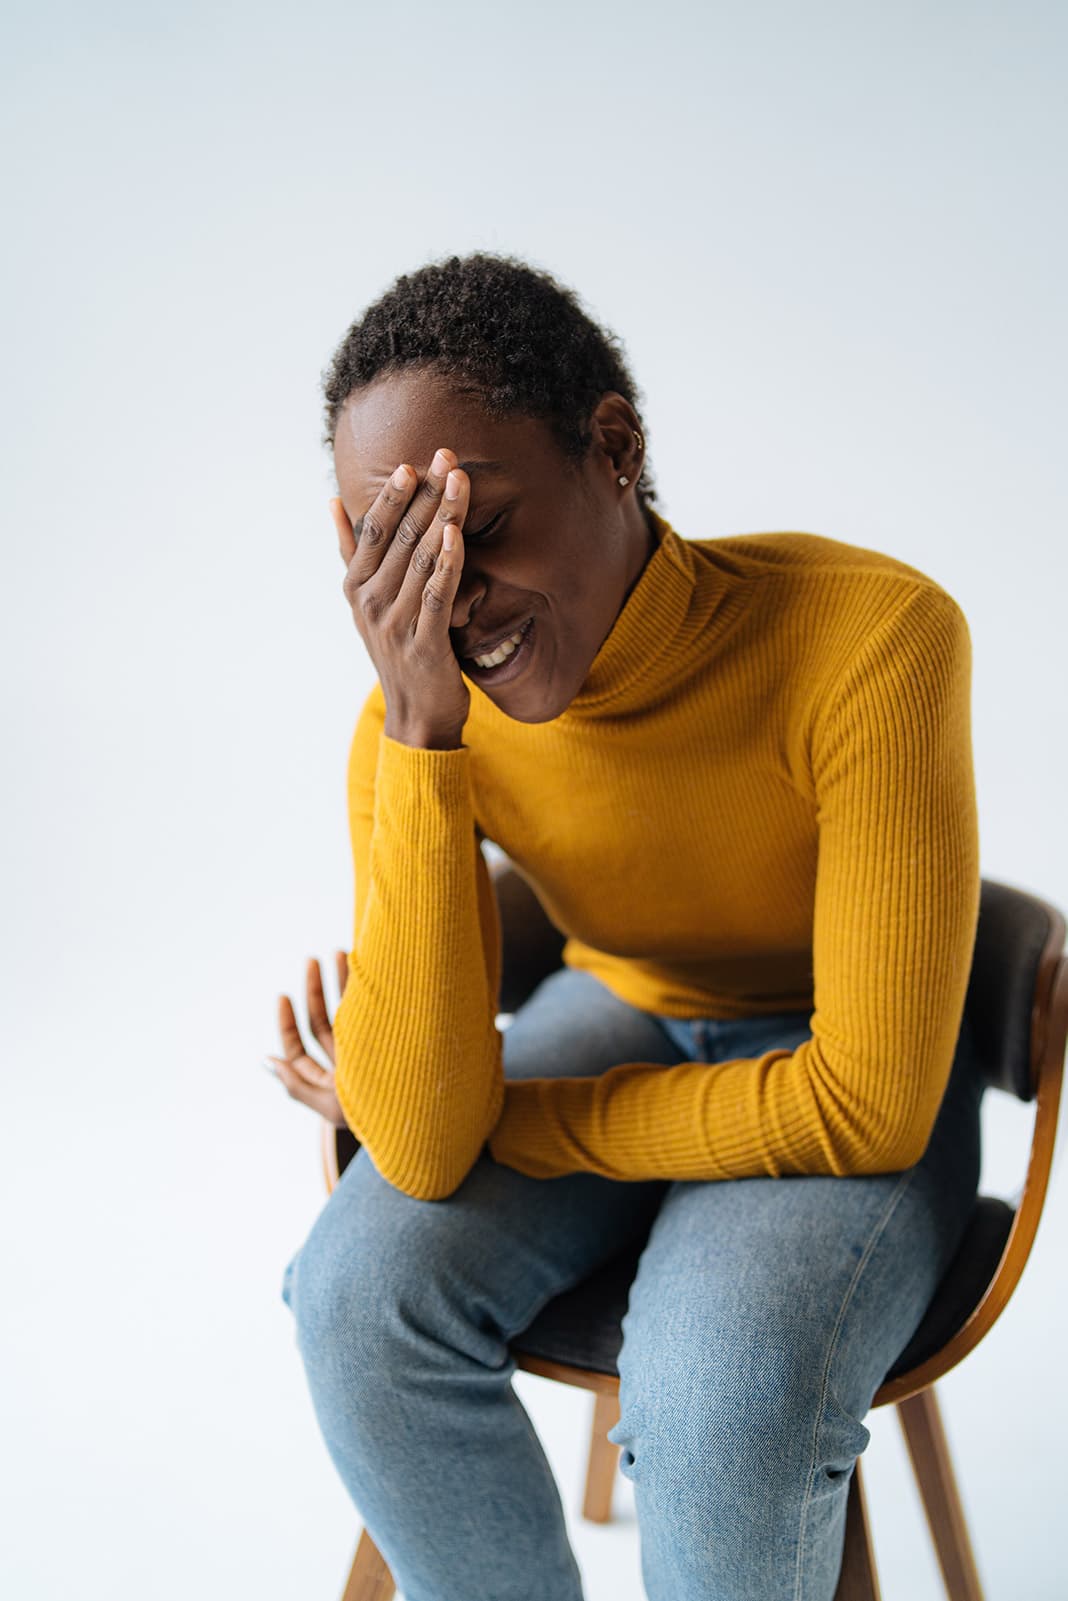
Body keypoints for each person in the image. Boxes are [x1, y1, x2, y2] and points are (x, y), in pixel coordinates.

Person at [267, 250, 984, 1601]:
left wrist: (523, 1115)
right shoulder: (414, 717)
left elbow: (872, 1104)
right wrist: (424, 734)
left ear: (614, 444)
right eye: (395, 551)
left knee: (721, 1394)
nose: (449, 596)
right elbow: (422, 1141)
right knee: (356, 1299)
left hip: (846, 1046)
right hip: (625, 1000)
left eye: (474, 526)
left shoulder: (872, 640)